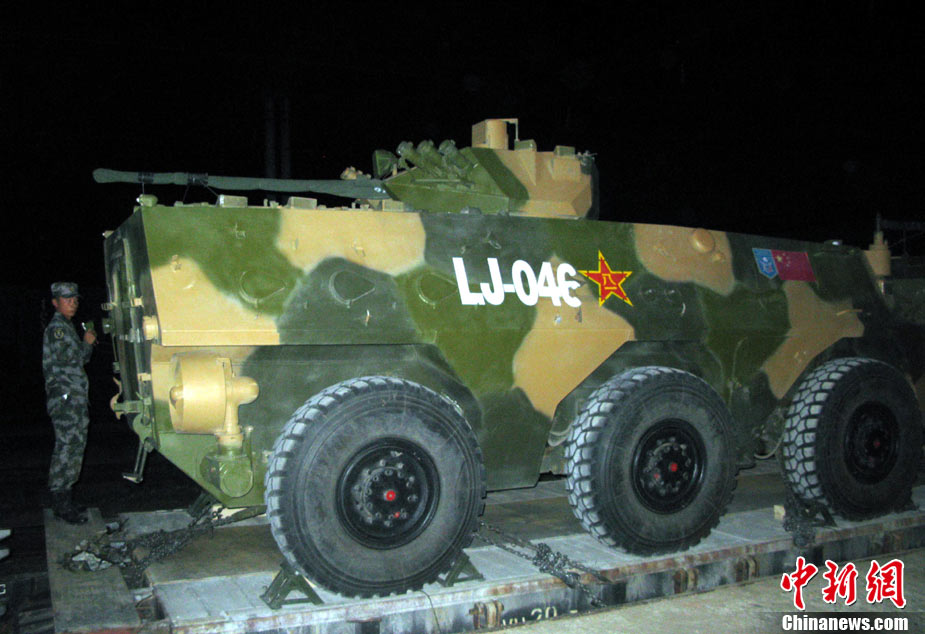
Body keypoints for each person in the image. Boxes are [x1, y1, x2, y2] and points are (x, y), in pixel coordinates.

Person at [42, 282, 96, 524]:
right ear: (56, 302)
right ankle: (61, 503)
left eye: (75, 299)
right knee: (66, 447)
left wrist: (87, 344)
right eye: (67, 300)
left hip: (73, 397)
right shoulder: (58, 329)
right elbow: (71, 359)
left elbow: (80, 359)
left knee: (74, 446)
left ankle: (65, 499)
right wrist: (86, 343)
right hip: (65, 398)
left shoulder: (67, 326)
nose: (72, 304)